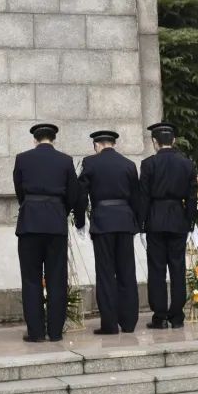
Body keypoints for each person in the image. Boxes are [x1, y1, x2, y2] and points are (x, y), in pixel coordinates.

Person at [13, 122, 79, 342]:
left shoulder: (22, 159)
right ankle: (55, 331)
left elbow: (19, 191)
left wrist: (31, 205)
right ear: (53, 138)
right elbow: (72, 195)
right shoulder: (65, 160)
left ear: (35, 139)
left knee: (31, 279)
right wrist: (60, 210)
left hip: (30, 222)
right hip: (55, 223)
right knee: (56, 278)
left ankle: (36, 332)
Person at [75, 129, 141, 335]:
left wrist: (79, 222)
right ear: (113, 144)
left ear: (97, 145)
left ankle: (110, 324)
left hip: (103, 221)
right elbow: (137, 198)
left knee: (105, 274)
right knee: (127, 272)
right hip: (125, 222)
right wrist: (137, 224)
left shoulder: (91, 163)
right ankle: (129, 322)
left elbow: (80, 195)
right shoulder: (129, 165)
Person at [139, 120, 197, 329]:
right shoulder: (187, 164)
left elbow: (143, 197)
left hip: (155, 219)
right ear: (173, 140)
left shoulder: (148, 164)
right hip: (178, 219)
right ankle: (177, 316)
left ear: (155, 142)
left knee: (156, 269)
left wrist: (141, 225)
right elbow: (192, 198)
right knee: (177, 268)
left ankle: (160, 315)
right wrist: (190, 223)